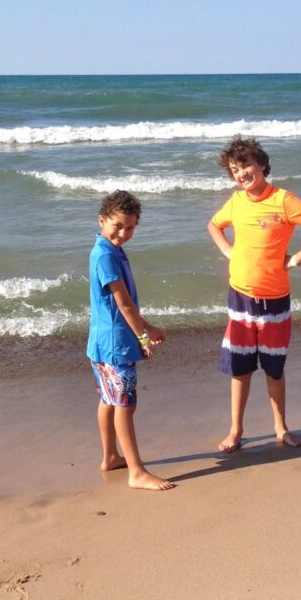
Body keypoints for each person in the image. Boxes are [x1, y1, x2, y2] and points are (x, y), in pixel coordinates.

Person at [207, 136, 301, 452]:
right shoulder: (236, 202)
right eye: (234, 170)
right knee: (240, 369)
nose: (241, 174)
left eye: (246, 166)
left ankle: (281, 428)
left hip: (275, 302)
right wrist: (227, 249)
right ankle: (236, 430)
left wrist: (295, 259)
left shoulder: (283, 200)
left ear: (262, 165)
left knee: (274, 369)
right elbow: (214, 225)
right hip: (239, 300)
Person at [87, 190, 175, 490]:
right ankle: (136, 472)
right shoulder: (104, 256)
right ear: (102, 220)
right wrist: (142, 337)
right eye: (118, 226)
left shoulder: (109, 250)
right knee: (125, 404)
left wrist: (147, 327)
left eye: (131, 228)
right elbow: (123, 304)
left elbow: (122, 306)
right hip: (116, 345)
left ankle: (110, 456)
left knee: (109, 400)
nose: (124, 233)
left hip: (103, 343)